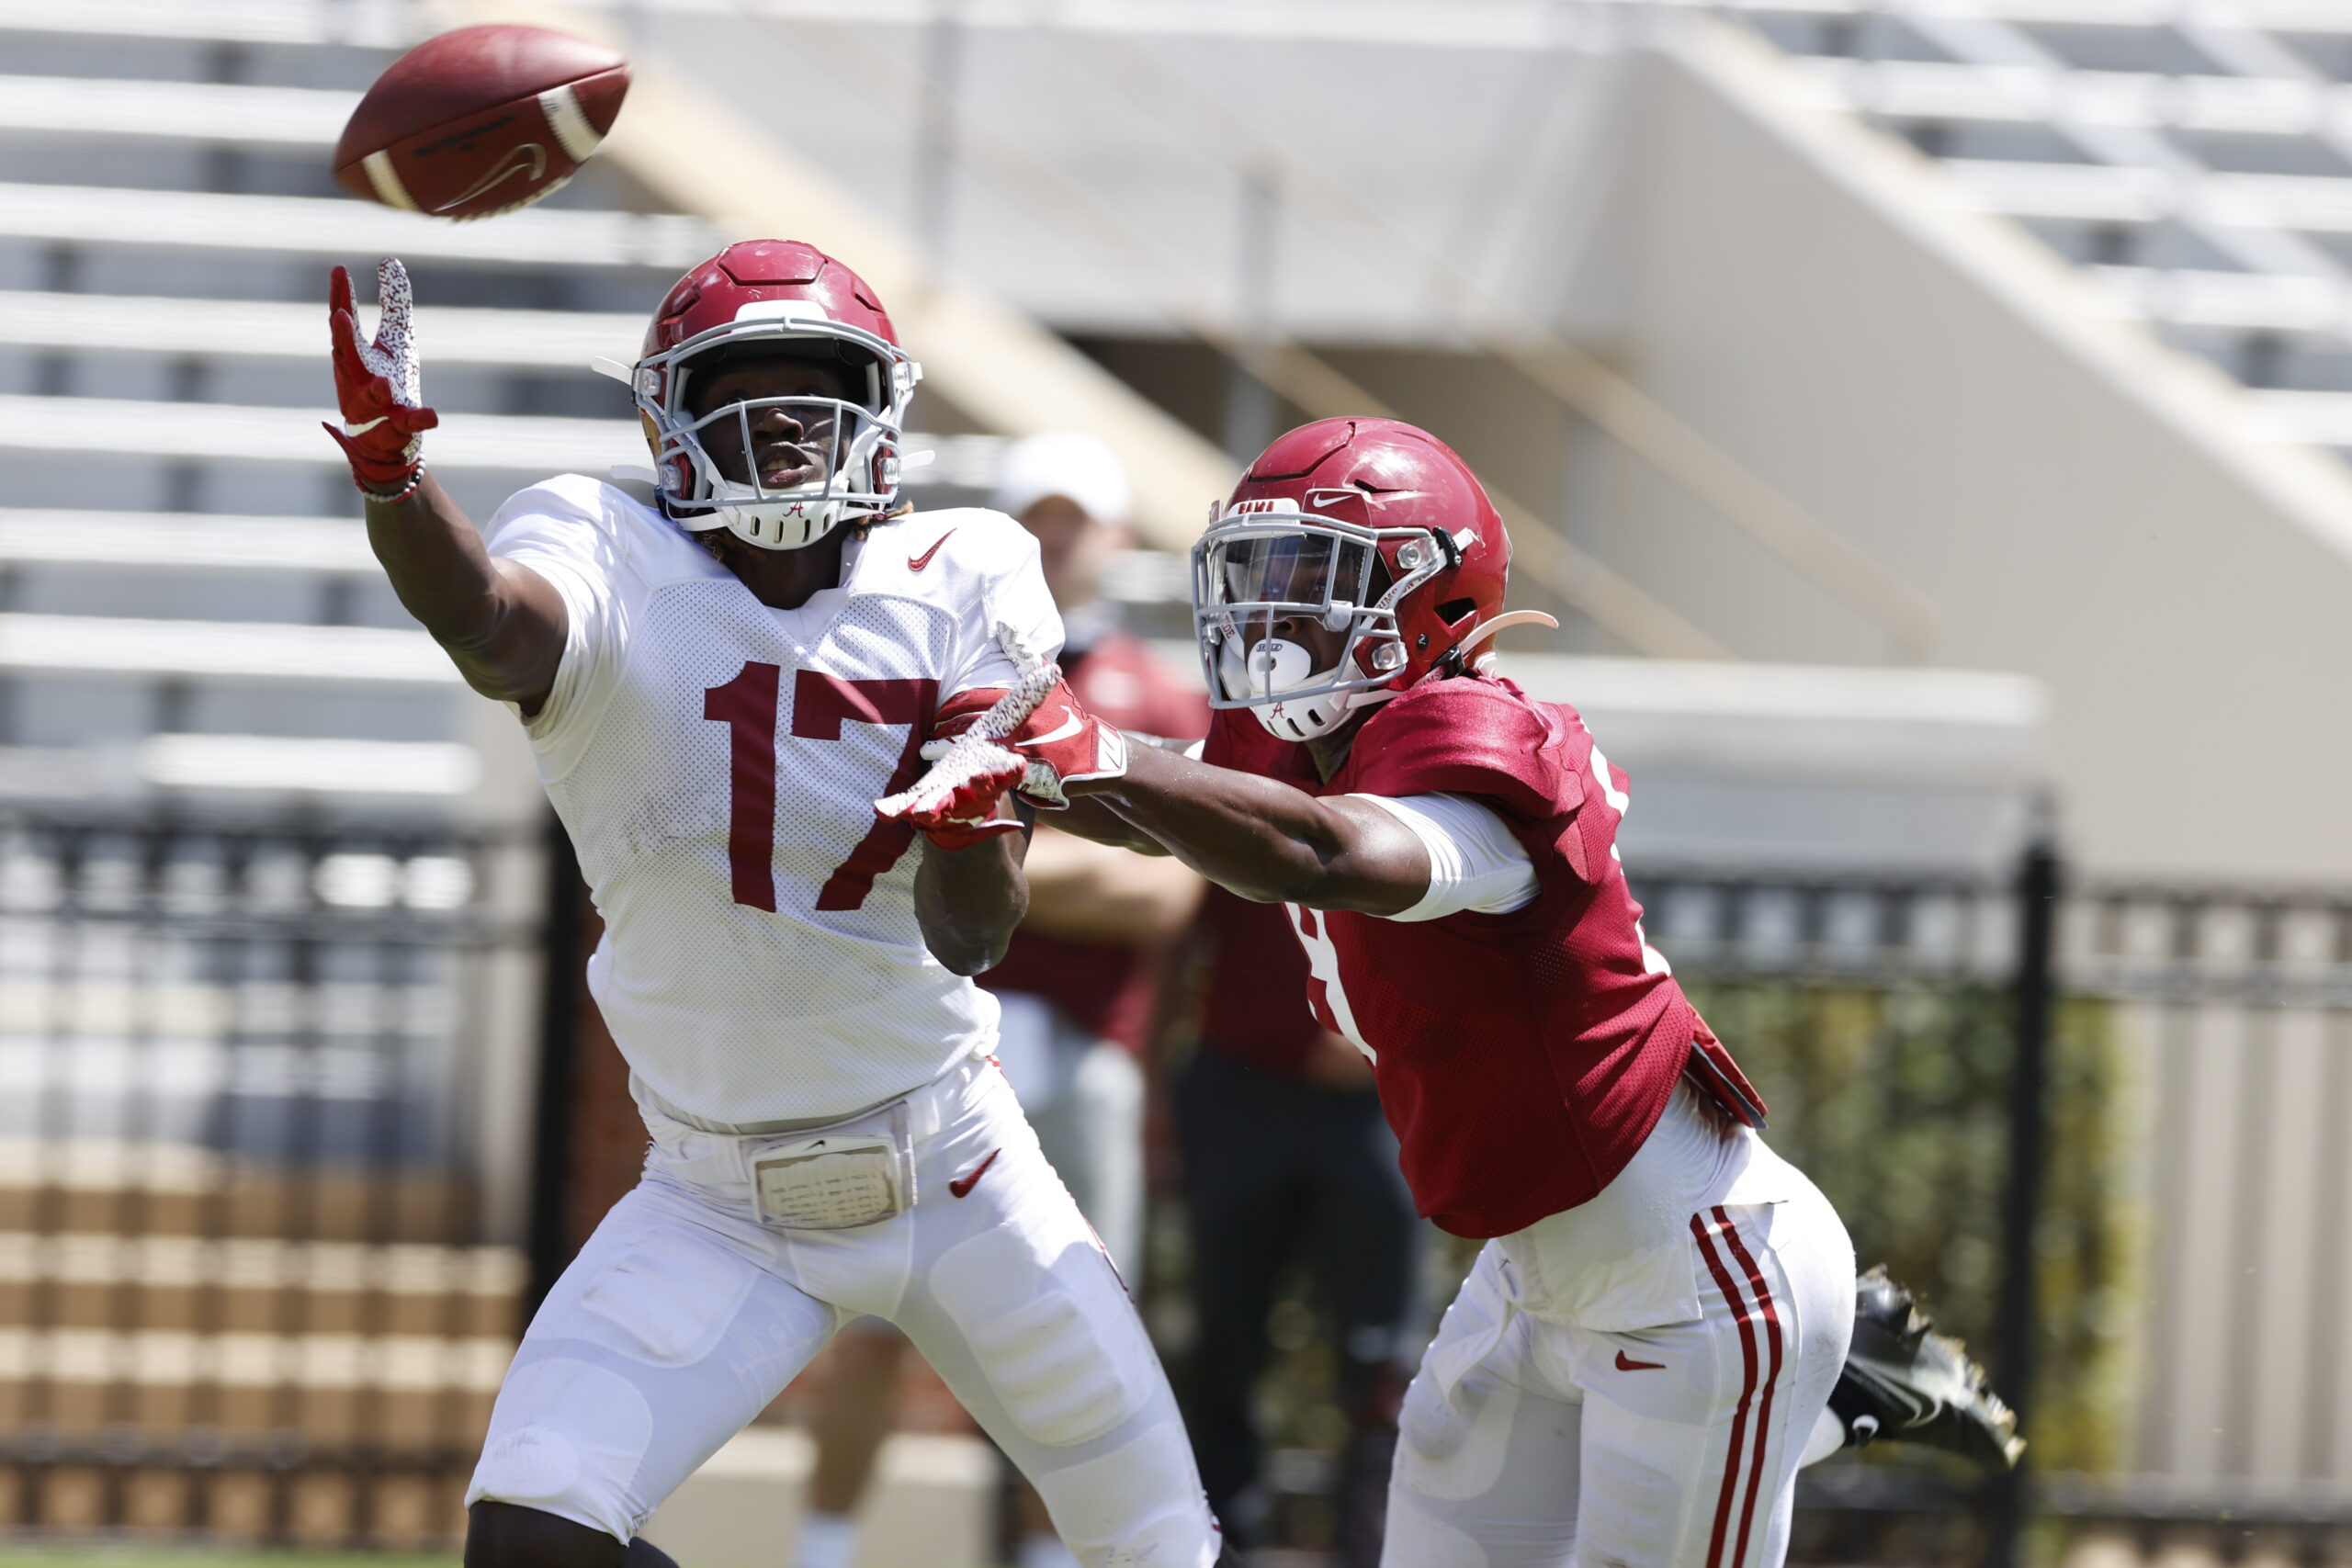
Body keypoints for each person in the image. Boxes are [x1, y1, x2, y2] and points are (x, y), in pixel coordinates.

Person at [880, 417, 2021, 1568]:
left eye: (1312, 579)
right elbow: (1167, 814)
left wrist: (1097, 755)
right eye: (1257, 577)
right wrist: (995, 752)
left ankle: (1807, 1387)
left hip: (1696, 1279)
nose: (1272, 616)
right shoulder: (1294, 748)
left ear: (1433, 594)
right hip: (1531, 1276)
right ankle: (1822, 1400)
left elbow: (1328, 857)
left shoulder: (1472, 740)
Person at [322, 241, 1237, 1568]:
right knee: (530, 1535)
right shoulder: (601, 544)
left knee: (1162, 1547)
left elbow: (975, 930)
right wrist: (393, 478)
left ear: (885, 402)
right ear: (668, 413)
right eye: (742, 384)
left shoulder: (964, 566)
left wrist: (978, 811)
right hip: (713, 1190)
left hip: (958, 1164)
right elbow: (495, 629)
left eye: (821, 385)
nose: (786, 419)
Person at [796, 432, 1206, 1568]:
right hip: (928, 1042)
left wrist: (992, 852)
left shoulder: (1158, 695)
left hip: (1081, 1052)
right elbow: (890, 849)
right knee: (876, 1316)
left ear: (1118, 539)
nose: (1057, 539)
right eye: (1039, 516)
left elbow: (1164, 899)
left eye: (1078, 518)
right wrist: (1032, 865)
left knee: (1074, 1337)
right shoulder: (931, 667)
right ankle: (820, 1551)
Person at [1177, 888, 1420, 1568]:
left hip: (1374, 1101)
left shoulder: (1411, 782)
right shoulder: (1229, 777)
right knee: (1224, 1341)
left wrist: (1391, 1035)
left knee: (1383, 1355)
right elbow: (1175, 935)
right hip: (1238, 1083)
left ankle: (1376, 1552)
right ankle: (1219, 1552)